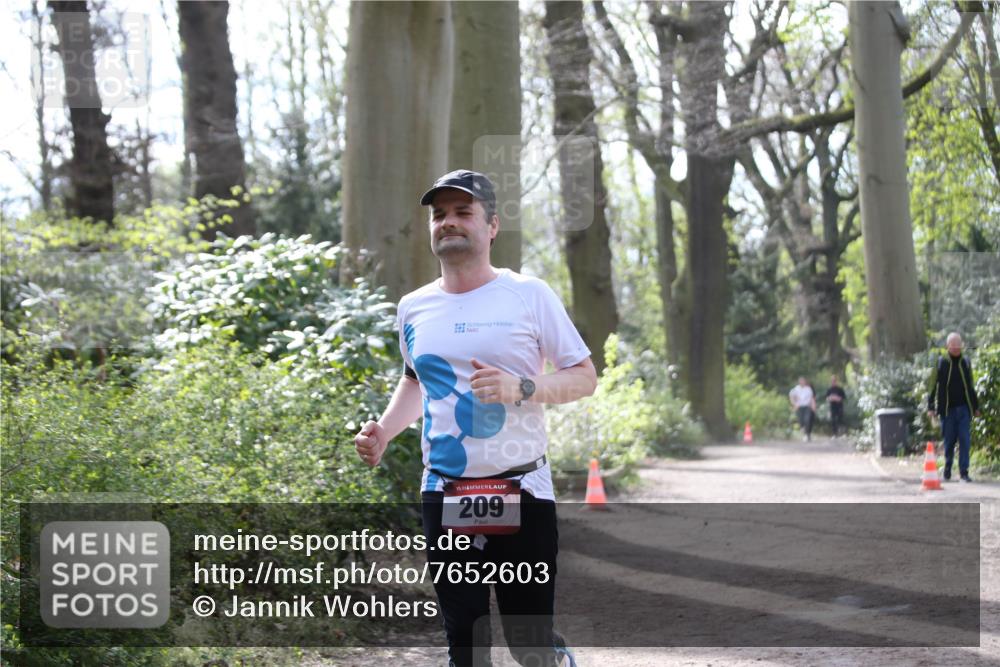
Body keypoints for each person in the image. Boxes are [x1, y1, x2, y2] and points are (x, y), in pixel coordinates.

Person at [354, 169, 595, 667]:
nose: (448, 222)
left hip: (522, 488)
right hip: (445, 491)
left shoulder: (529, 295)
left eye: (463, 212)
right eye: (439, 214)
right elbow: (418, 382)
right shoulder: (413, 308)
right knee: (463, 640)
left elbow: (584, 376)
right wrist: (384, 431)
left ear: (492, 226)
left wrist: (522, 387)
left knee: (527, 641)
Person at [927, 332, 981, 482]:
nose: (956, 348)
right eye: (953, 346)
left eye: (958, 345)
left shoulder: (966, 362)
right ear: (947, 346)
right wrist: (930, 406)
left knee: (965, 440)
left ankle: (964, 472)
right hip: (947, 410)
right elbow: (931, 385)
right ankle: (948, 468)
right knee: (949, 442)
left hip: (964, 409)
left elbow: (970, 385)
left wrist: (975, 406)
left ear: (961, 345)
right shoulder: (940, 362)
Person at [789, 377, 817, 442]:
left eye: (803, 381)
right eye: (801, 381)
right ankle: (804, 432)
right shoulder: (796, 389)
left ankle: (807, 435)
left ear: (805, 382)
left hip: (807, 407)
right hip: (799, 407)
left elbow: (811, 398)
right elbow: (791, 397)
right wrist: (794, 405)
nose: (802, 382)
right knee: (801, 421)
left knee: (807, 419)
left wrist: (813, 406)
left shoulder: (808, 389)